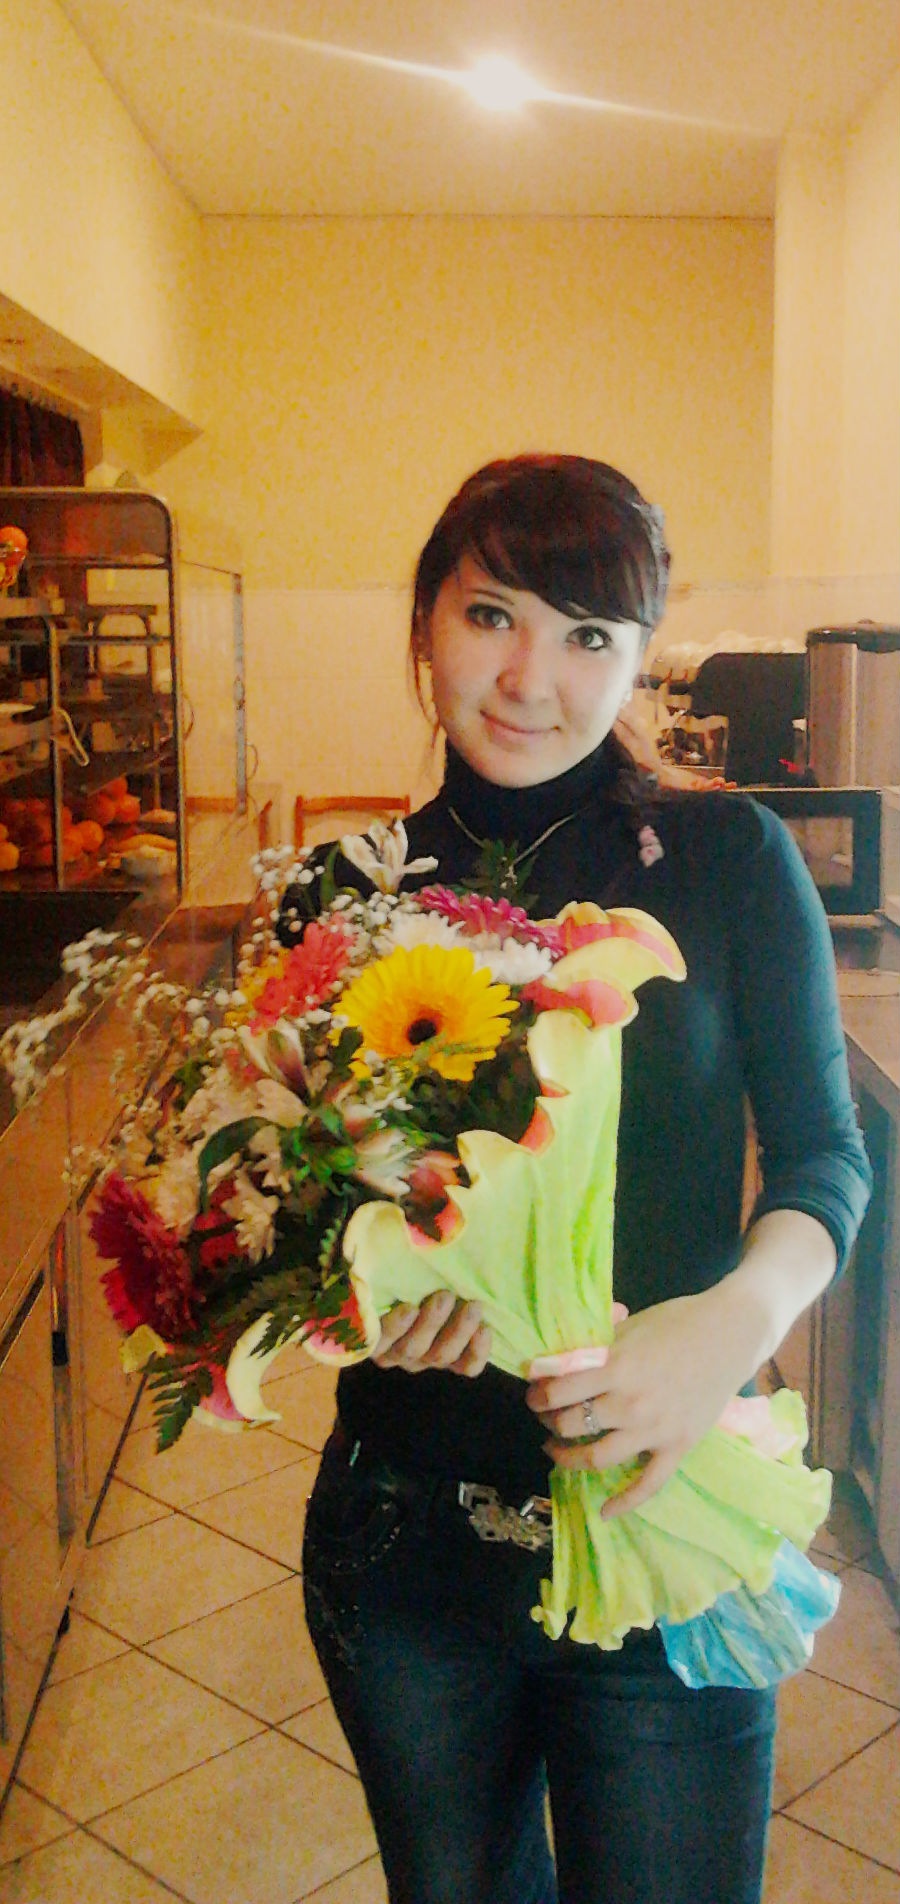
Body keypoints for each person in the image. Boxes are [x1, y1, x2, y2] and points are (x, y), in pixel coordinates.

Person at [284, 455, 872, 1904]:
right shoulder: (342, 895)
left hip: (661, 1505)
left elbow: (825, 1159)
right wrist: (358, 1298)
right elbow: (311, 1204)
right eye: (492, 614)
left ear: (638, 658)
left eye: (588, 634)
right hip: (411, 1543)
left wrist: (729, 1325)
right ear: (424, 622)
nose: (529, 679)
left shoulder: (730, 858)